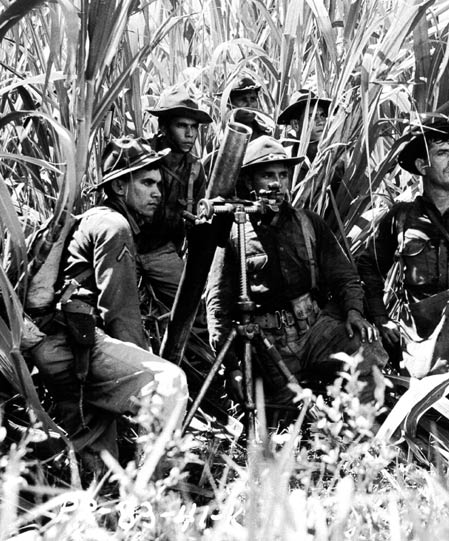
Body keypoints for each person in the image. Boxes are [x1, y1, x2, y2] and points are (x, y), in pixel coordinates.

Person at [29, 137, 188, 473]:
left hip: (59, 347)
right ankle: (151, 501)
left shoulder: (94, 218)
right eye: (146, 183)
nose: (157, 193)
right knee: (168, 383)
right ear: (118, 185)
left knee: (100, 464)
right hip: (77, 346)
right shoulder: (114, 226)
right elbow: (119, 312)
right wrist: (142, 365)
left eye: (159, 184)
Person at [205, 136, 387, 407]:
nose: (277, 183)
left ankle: (363, 436)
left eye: (283, 175)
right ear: (248, 182)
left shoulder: (307, 223)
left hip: (315, 332)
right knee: (278, 413)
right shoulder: (235, 231)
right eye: (267, 175)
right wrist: (231, 367)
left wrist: (353, 312)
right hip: (267, 342)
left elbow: (344, 276)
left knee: (365, 351)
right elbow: (218, 306)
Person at [357, 114, 449, 377]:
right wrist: (381, 318)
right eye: (443, 152)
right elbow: (368, 267)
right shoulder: (401, 217)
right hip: (421, 332)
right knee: (427, 397)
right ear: (422, 165)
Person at [141, 84, 213, 306]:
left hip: (161, 251)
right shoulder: (139, 157)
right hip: (126, 247)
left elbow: (201, 218)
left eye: (194, 127)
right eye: (181, 125)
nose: (190, 134)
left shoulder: (194, 169)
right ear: (163, 127)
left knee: (193, 308)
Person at [277, 89, 331, 164]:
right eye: (312, 117)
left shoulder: (334, 156)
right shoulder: (286, 160)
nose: (321, 122)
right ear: (295, 125)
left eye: (323, 115)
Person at [226, 75, 274, 140]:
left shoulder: (268, 133)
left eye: (253, 99)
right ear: (229, 103)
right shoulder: (221, 135)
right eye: (243, 99)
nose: (250, 105)